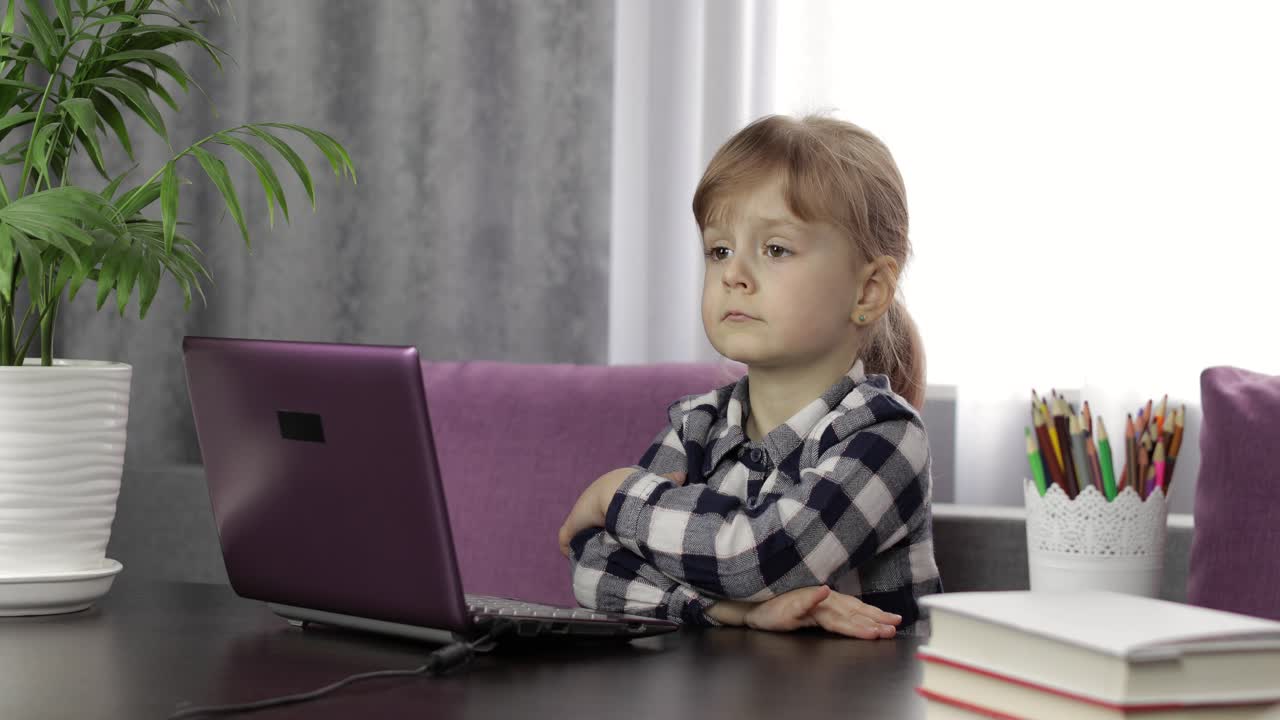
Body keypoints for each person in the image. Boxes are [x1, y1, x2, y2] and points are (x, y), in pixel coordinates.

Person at [557, 113, 942, 638]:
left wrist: (616, 496)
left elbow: (766, 555)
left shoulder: (886, 437)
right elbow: (594, 570)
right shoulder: (696, 426)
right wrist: (732, 613)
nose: (733, 274)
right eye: (719, 251)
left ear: (868, 291)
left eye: (776, 249)